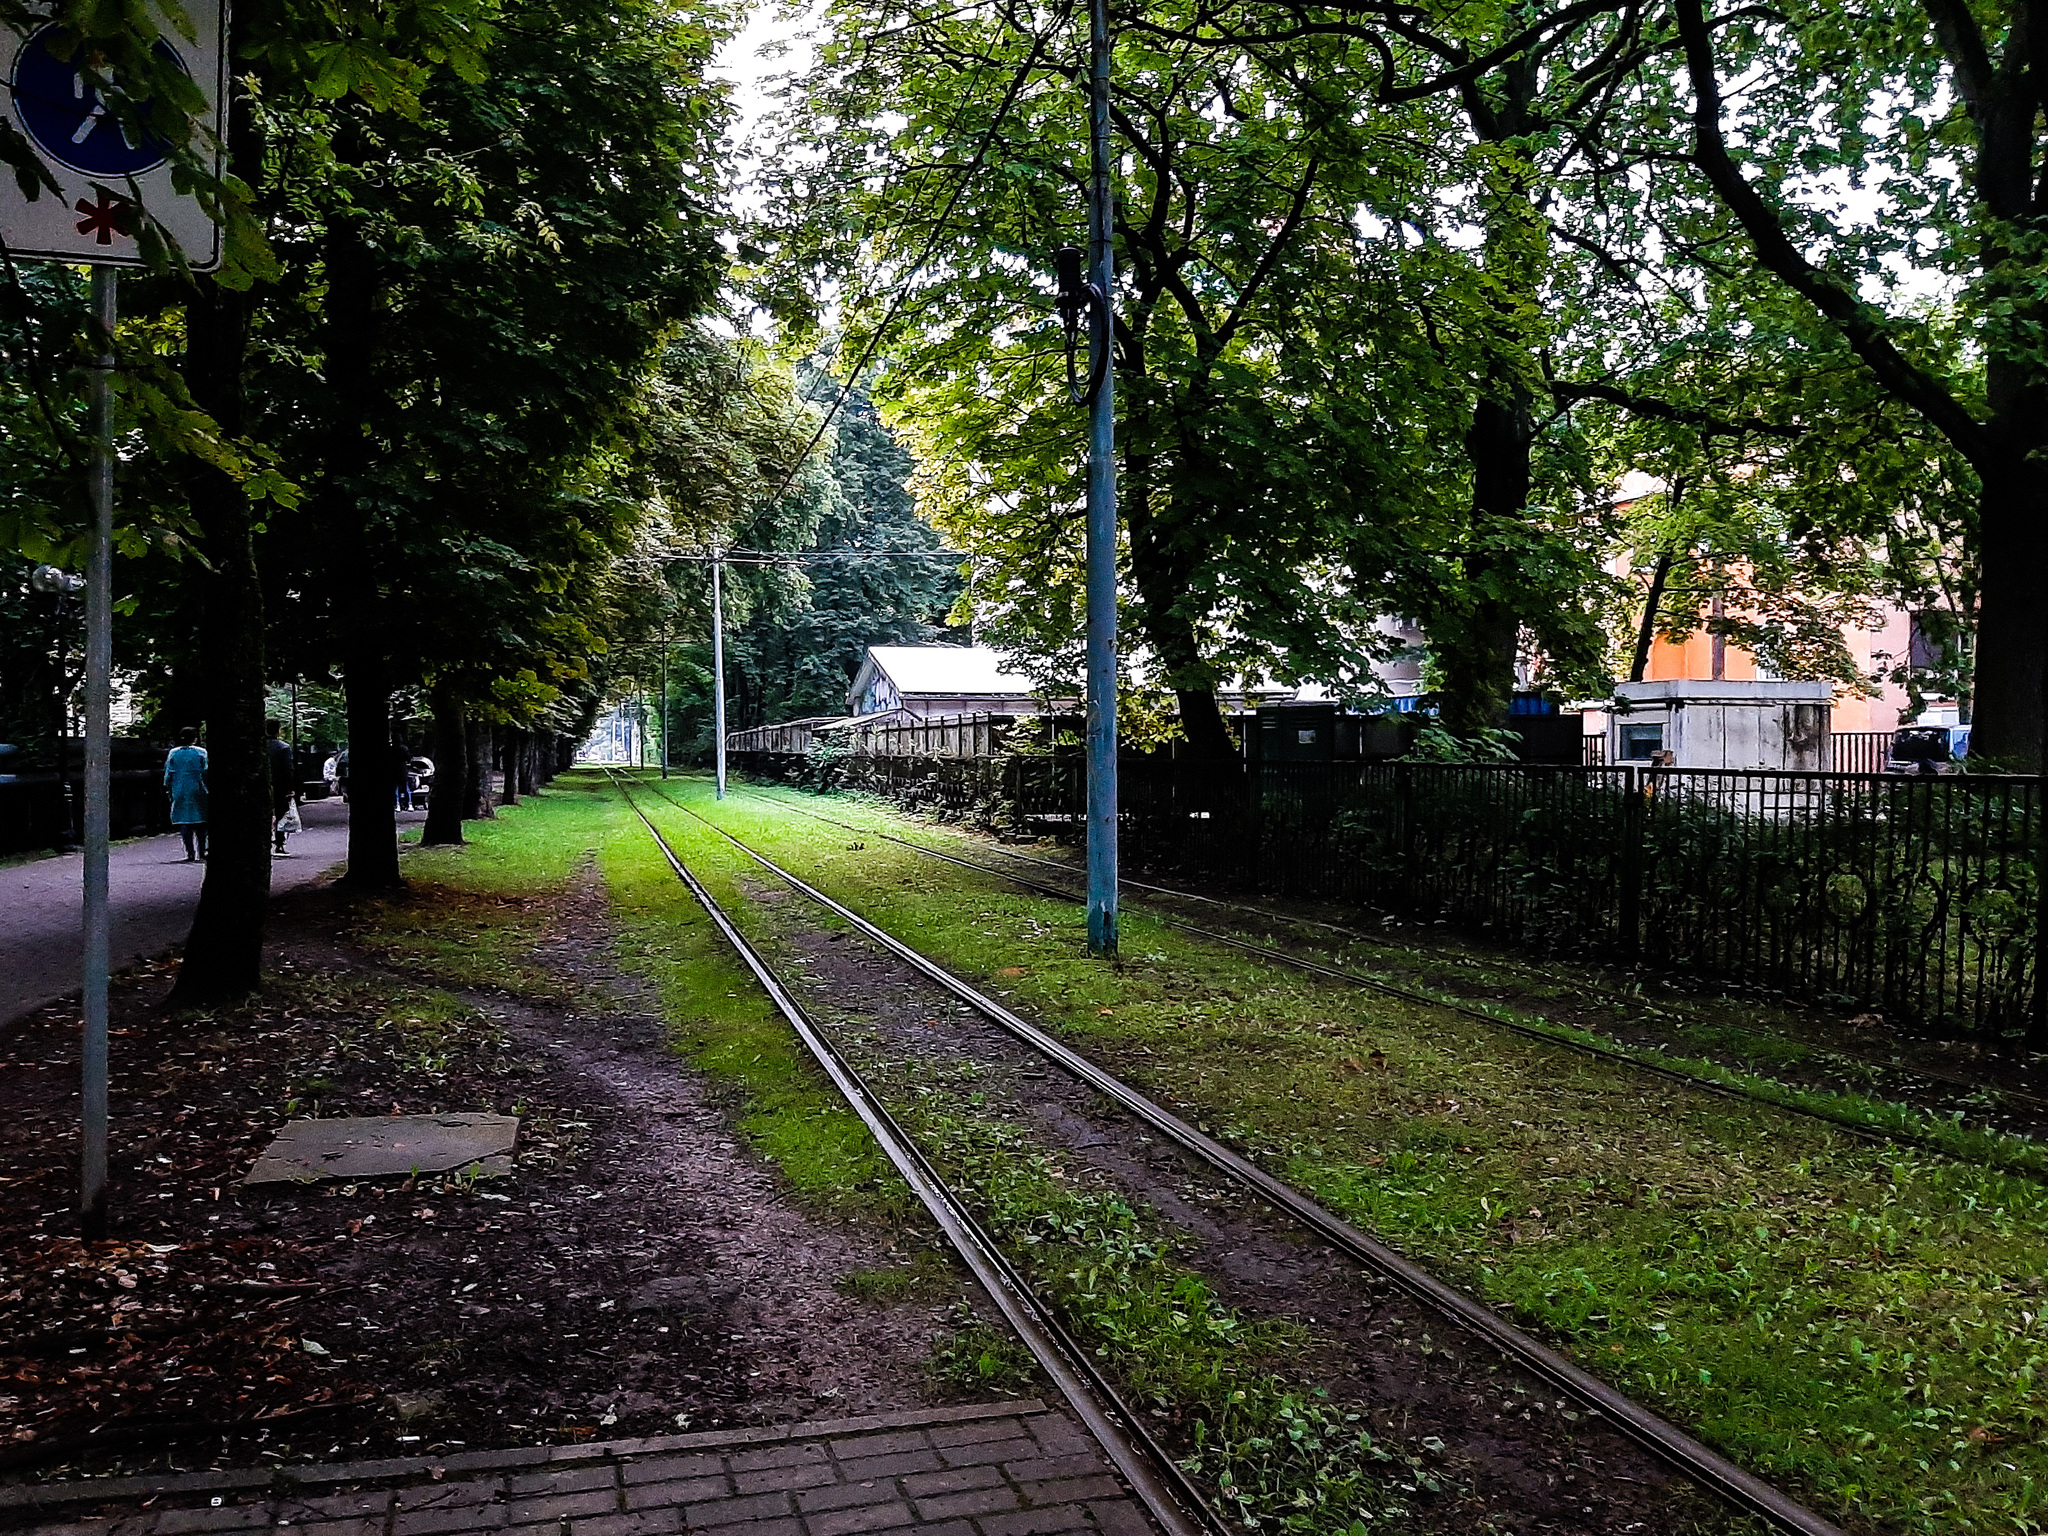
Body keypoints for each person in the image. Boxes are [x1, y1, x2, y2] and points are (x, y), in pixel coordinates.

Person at [163, 727, 209, 862]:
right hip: (199, 788)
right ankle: (202, 850)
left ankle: (190, 853)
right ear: (195, 738)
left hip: (179, 789)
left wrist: (168, 786)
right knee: (201, 820)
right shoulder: (201, 752)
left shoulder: (173, 753)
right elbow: (206, 770)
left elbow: (168, 772)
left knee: (184, 821)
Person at [267, 719, 297, 853]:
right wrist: (290, 788)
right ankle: (279, 842)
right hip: (280, 785)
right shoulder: (284, 747)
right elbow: (288, 769)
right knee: (280, 814)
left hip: (264, 784)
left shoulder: (260, 747)